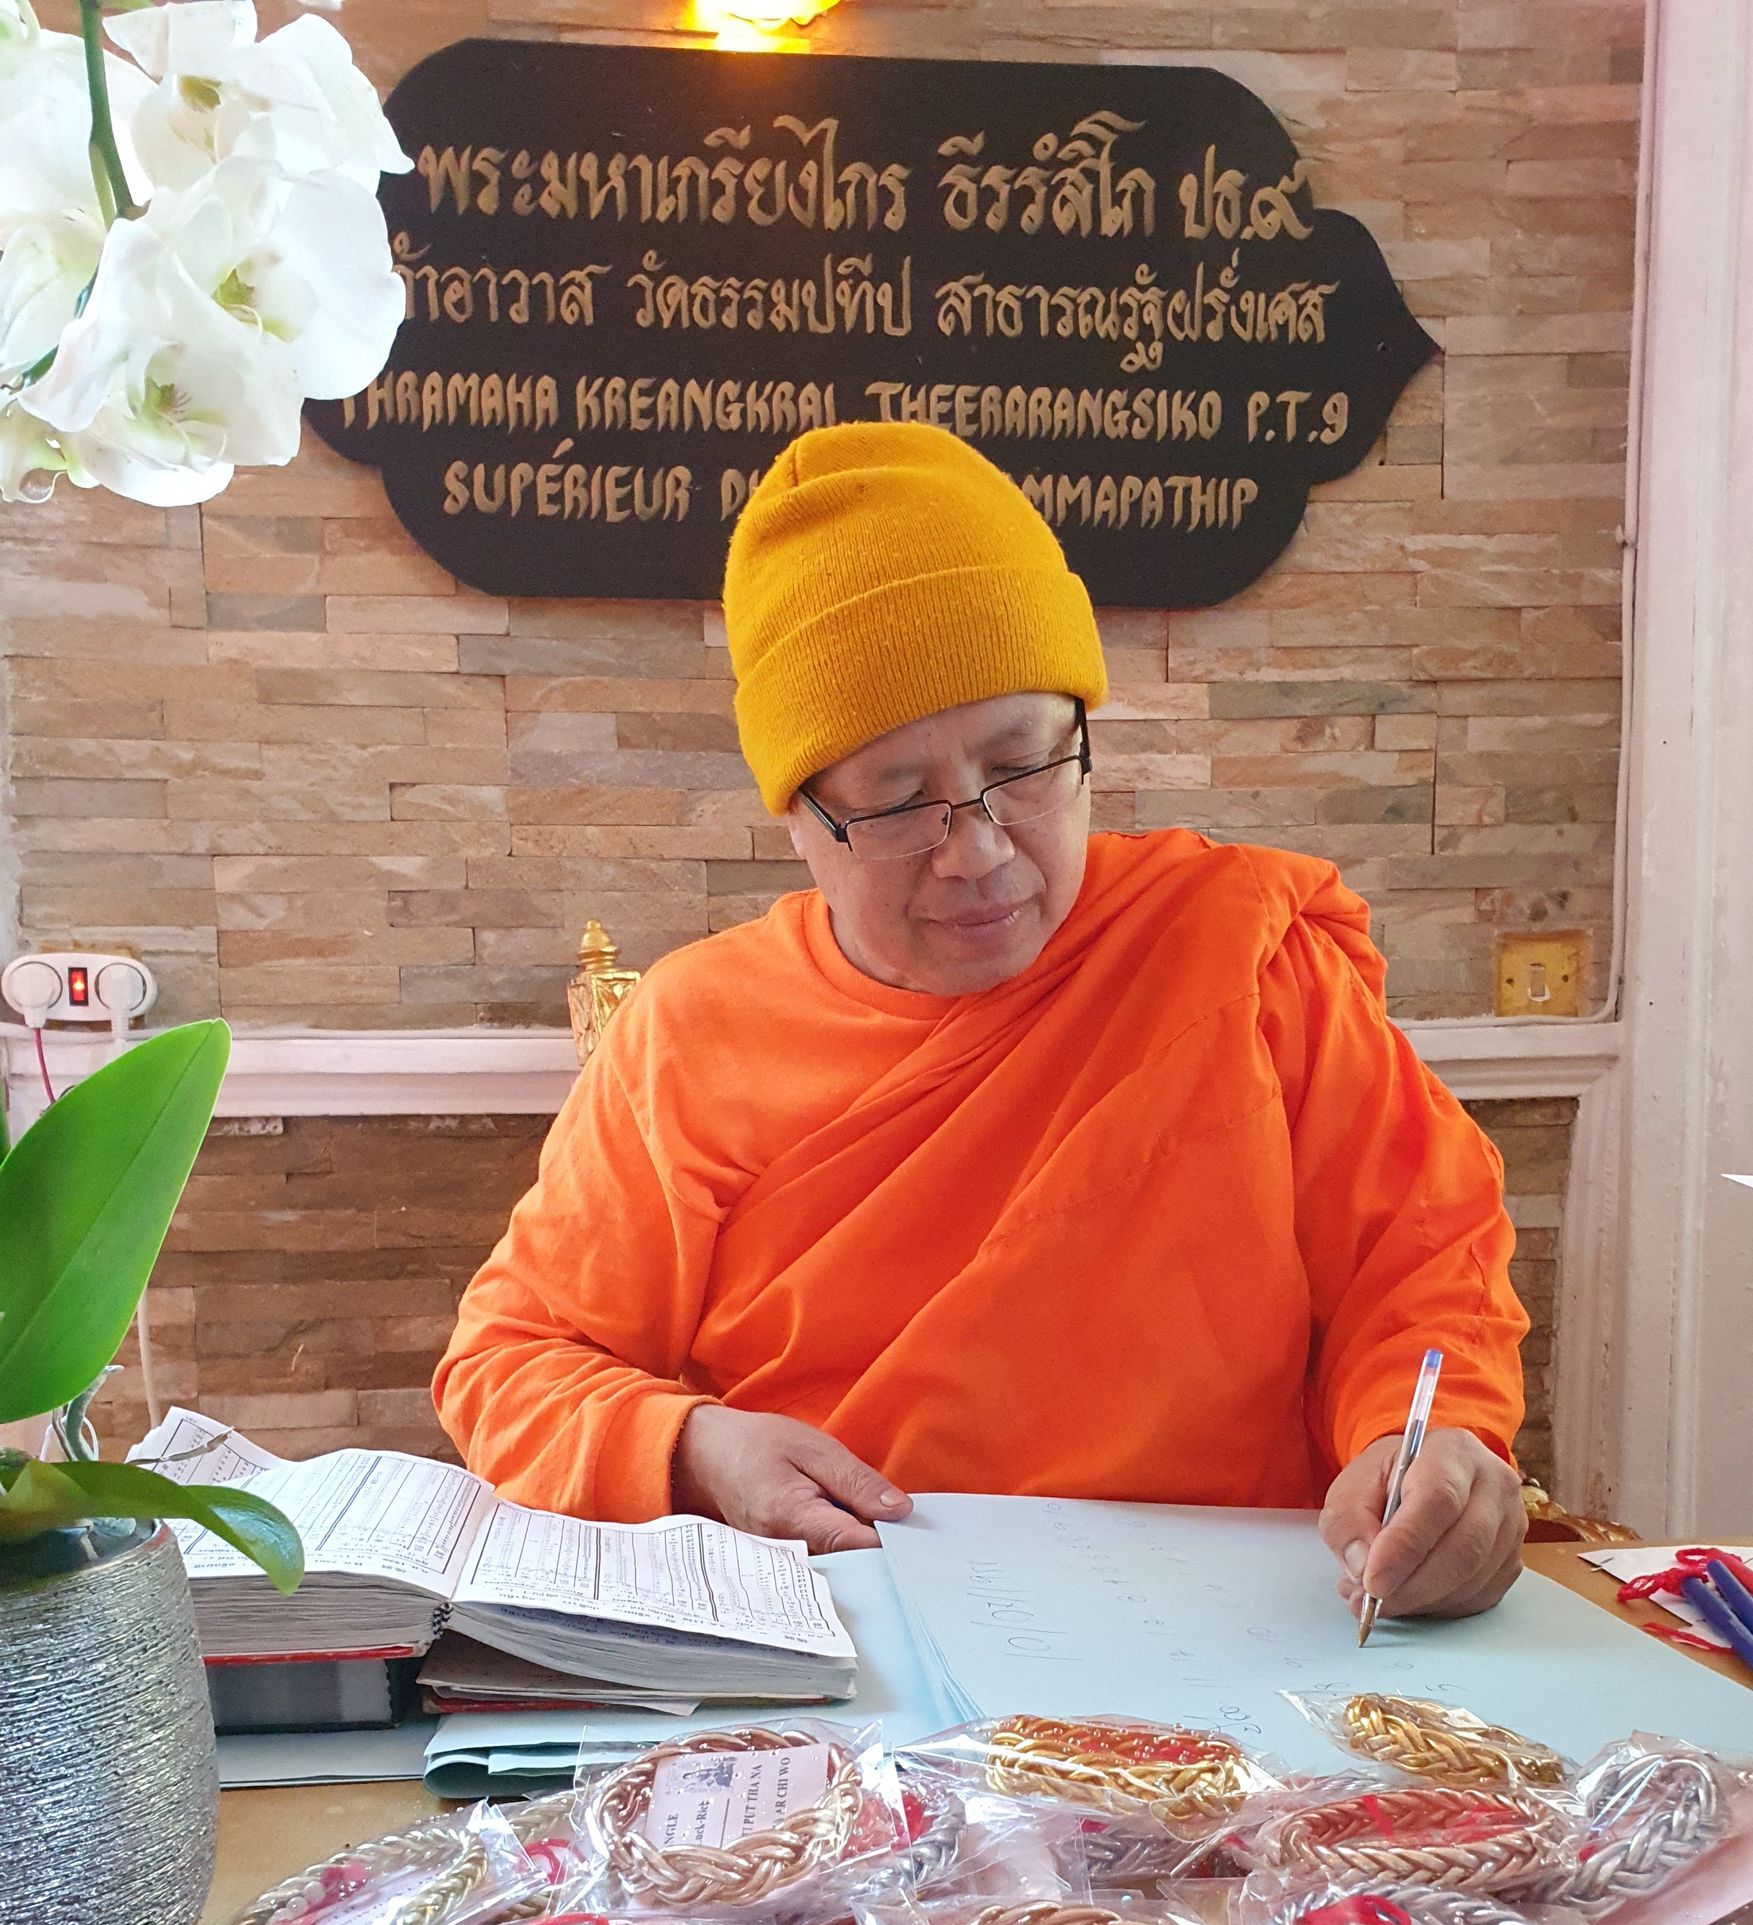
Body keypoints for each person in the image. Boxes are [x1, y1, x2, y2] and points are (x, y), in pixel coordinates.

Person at [434, 422, 1530, 1623]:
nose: (981, 852)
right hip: (855, 1652)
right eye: (900, 803)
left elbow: (1419, 1268)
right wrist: (691, 1447)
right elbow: (508, 1365)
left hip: (1240, 1634)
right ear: (801, 819)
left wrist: (1428, 1446)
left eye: (1021, 766)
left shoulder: (1232, 953)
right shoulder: (692, 1034)